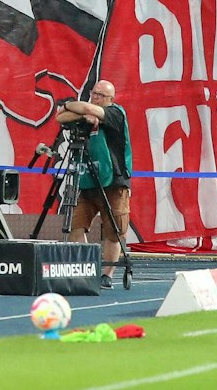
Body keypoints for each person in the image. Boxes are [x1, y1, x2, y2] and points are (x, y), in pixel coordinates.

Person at [57, 79, 132, 289]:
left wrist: (70, 105)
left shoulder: (117, 114)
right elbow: (60, 117)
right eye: (93, 93)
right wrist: (80, 112)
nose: (95, 97)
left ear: (111, 99)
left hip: (113, 181)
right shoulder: (87, 113)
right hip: (86, 180)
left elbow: (88, 108)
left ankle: (107, 274)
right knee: (75, 226)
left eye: (100, 95)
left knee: (114, 231)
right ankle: (87, 268)